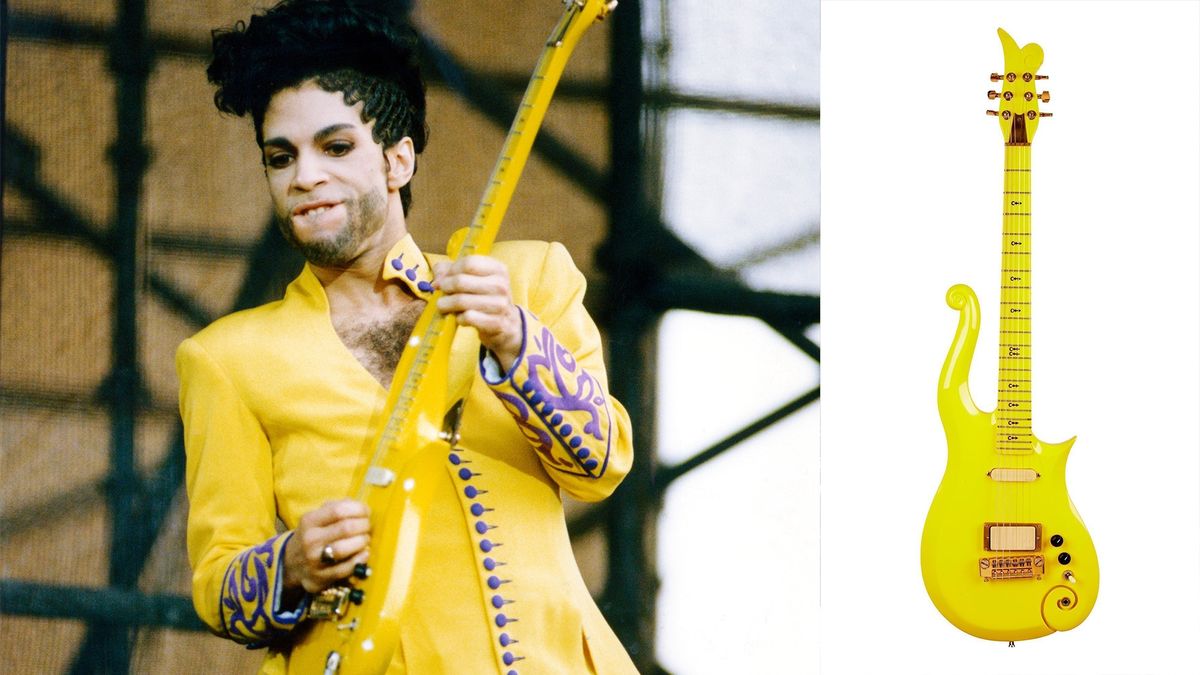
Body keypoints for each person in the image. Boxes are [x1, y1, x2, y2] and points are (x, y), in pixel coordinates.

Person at [176, 1, 635, 672]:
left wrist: (512, 338)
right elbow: (218, 591)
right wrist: (292, 563)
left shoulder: (527, 278)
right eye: (281, 158)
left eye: (334, 147)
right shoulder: (227, 357)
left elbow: (602, 462)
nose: (304, 176)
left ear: (398, 160)